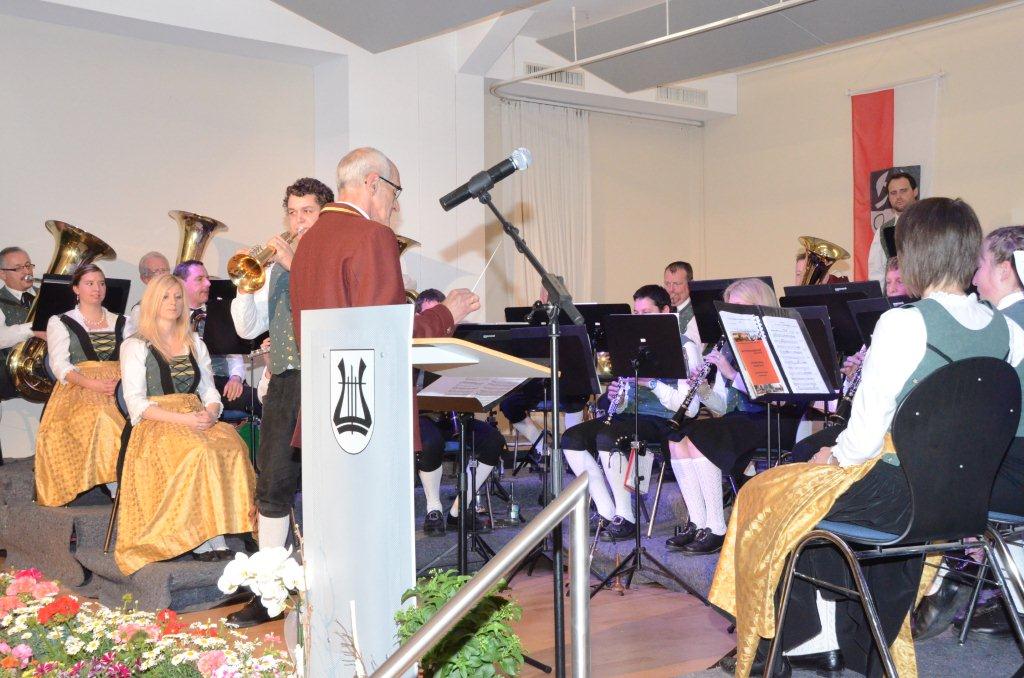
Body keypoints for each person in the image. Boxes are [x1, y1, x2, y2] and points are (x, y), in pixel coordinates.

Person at [711, 198, 1024, 678]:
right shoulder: (1008, 330)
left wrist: (828, 458)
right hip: (962, 498)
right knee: (803, 500)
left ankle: (769, 651)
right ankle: (822, 638)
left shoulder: (903, 323)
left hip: (895, 495)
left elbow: (861, 442)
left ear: (916, 254)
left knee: (763, 494)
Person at [289, 147, 480, 454]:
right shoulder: (373, 235)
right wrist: (446, 314)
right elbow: (388, 335)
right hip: (368, 411)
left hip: (322, 406)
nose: (396, 204)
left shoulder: (308, 240)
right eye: (396, 191)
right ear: (373, 183)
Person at [227, 177, 334, 627]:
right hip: (287, 381)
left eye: (307, 211)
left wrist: (296, 264)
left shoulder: (333, 255)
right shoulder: (275, 267)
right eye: (292, 212)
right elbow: (248, 329)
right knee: (272, 483)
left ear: (325, 213)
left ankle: (327, 586)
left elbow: (331, 311)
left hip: (327, 379)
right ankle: (269, 590)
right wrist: (246, 286)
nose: (298, 220)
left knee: (329, 486)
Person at [115, 274, 255, 575]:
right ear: (152, 302)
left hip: (196, 415)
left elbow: (208, 390)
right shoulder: (135, 345)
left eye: (178, 297)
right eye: (165, 297)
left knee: (232, 446)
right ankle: (199, 538)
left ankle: (218, 529)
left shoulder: (194, 342)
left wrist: (212, 413)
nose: (173, 303)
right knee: (197, 453)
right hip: (158, 422)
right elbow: (136, 403)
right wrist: (185, 419)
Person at [664, 278, 803, 555]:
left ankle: (717, 528)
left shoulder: (776, 339)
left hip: (773, 418)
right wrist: (702, 389)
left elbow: (774, 394)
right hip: (740, 419)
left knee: (702, 437)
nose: (731, 313)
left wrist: (730, 373)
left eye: (738, 306)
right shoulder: (729, 344)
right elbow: (722, 405)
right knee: (677, 438)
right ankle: (697, 522)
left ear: (758, 305)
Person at [560, 285, 701, 542]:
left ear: (665, 312)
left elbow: (689, 407)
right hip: (631, 417)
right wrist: (619, 396)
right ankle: (607, 511)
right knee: (571, 439)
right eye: (636, 313)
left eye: (647, 312)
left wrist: (652, 383)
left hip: (665, 420)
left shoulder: (685, 347)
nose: (639, 319)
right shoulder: (632, 345)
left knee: (608, 437)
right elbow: (625, 402)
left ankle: (626, 517)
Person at [412, 290, 508, 536]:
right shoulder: (411, 342)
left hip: (452, 415)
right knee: (430, 442)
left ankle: (459, 509)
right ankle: (433, 508)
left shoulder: (457, 342)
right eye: (430, 314)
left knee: (493, 440)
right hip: (420, 416)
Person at [34, 264, 126, 506]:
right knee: (104, 416)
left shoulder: (123, 321)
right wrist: (93, 384)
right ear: (76, 288)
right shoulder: (60, 321)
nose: (97, 289)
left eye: (101, 283)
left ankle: (129, 483)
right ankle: (118, 487)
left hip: (119, 384)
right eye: (90, 283)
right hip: (79, 386)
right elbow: (60, 365)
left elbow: (133, 361)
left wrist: (120, 383)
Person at [174, 259, 260, 418]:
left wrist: (235, 378)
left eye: (207, 278)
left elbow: (233, 354)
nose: (208, 283)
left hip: (219, 382)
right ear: (181, 283)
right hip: (184, 386)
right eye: (200, 279)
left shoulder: (219, 312)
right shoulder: (171, 317)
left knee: (262, 400)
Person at [0, 247, 45, 401]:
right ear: (2, 274)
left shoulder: (48, 295)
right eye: (18, 268)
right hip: (12, 378)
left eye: (28, 265)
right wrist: (33, 329)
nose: (27, 271)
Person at [868, 171, 918, 284]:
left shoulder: (930, 225)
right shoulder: (883, 231)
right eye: (893, 193)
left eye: (903, 191)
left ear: (915, 191)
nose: (898, 197)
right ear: (889, 197)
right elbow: (876, 272)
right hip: (894, 294)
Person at [128, 252, 171, 332]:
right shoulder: (139, 310)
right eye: (157, 271)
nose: (163, 275)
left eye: (164, 270)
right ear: (145, 279)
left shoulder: (179, 302)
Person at [664, 260, 701, 346]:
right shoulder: (662, 309)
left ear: (691, 284)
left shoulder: (700, 313)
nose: (670, 289)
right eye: (667, 284)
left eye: (676, 284)